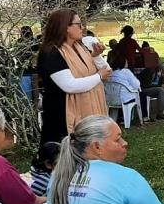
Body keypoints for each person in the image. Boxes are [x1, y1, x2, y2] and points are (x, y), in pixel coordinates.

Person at [36, 9, 110, 145]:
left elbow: (107, 71)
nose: (82, 28)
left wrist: (96, 56)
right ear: (66, 27)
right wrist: (98, 76)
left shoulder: (80, 48)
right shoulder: (51, 53)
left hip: (87, 109)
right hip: (62, 114)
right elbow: (69, 85)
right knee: (64, 154)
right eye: (79, 24)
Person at [108, 53, 164, 120]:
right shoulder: (148, 71)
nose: (127, 64)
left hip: (112, 98)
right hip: (142, 90)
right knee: (161, 89)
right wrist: (160, 86)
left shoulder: (111, 73)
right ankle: (161, 112)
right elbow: (140, 85)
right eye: (126, 62)